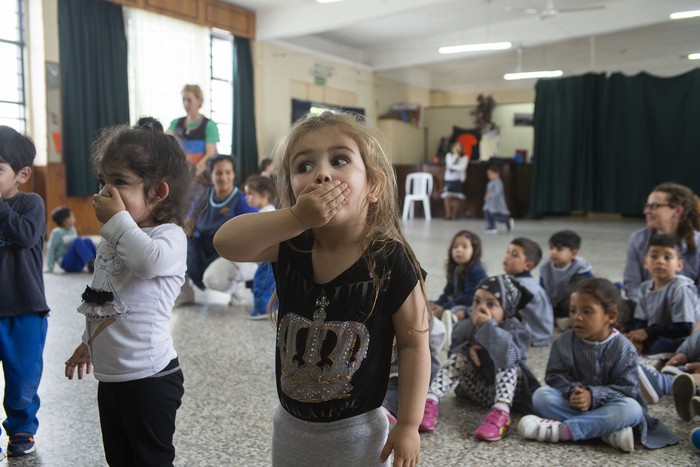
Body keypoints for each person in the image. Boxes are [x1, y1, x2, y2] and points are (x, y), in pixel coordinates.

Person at [212, 111, 431, 466]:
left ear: (373, 186)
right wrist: (295, 218)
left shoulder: (390, 259)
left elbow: (413, 344)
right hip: (291, 429)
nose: (322, 174)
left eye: (340, 160)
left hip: (358, 434)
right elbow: (226, 243)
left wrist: (408, 424)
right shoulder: (293, 244)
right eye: (304, 167)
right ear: (292, 190)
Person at [64, 118, 193, 466]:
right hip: (112, 377)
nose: (107, 193)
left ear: (158, 191)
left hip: (150, 378)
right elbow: (102, 295)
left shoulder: (169, 236)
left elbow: (147, 263)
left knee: (150, 459)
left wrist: (117, 222)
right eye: (104, 181)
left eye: (120, 182)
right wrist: (87, 341)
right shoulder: (115, 235)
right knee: (119, 458)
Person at [518, 278, 678, 452]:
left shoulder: (623, 347)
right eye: (573, 311)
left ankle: (565, 431)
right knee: (541, 396)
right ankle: (606, 433)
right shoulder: (564, 342)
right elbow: (554, 376)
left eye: (587, 311)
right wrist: (573, 391)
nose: (577, 317)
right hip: (576, 405)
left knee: (632, 409)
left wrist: (593, 396)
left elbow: (627, 389)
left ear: (610, 316)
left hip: (612, 406)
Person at [423, 275, 539, 440]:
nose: (481, 307)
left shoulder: (515, 328)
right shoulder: (469, 325)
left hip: (510, 394)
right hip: (478, 390)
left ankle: (501, 413)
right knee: (459, 357)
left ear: (506, 312)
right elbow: (452, 351)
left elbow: (508, 356)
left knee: (507, 361)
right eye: (477, 301)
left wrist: (488, 326)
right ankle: (430, 401)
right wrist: (467, 349)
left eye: (491, 304)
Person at [0, 126, 49, 459]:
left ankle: (21, 429)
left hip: (25, 308)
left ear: (22, 174)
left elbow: (27, 235)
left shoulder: (30, 203)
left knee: (22, 378)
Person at [176, 154, 258, 306]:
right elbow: (189, 222)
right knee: (176, 247)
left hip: (229, 253)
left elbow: (254, 235)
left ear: (234, 174)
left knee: (212, 278)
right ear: (212, 175)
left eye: (228, 172)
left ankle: (236, 288)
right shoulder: (203, 196)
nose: (223, 177)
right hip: (202, 247)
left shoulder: (242, 201)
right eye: (218, 173)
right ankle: (185, 294)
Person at [623, 182, 700, 306]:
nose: (646, 211)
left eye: (654, 206)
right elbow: (632, 285)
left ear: (678, 211)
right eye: (647, 206)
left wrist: (681, 312)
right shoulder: (638, 239)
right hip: (647, 309)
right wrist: (651, 310)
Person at [625, 234, 699, 358]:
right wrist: (637, 337)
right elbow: (640, 321)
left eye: (667, 257)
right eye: (654, 256)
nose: (660, 261)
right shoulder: (644, 288)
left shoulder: (680, 288)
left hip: (682, 338)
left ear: (679, 265)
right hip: (657, 333)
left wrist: (647, 333)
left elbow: (684, 328)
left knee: (660, 346)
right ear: (646, 262)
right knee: (624, 335)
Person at [503, 238, 554, 347]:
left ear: (528, 266)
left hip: (535, 335)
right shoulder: (523, 281)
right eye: (508, 252)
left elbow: (503, 309)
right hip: (539, 332)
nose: (507, 256)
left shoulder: (524, 286)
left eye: (514, 255)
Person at [539, 229, 593, 331]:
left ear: (573, 253)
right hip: (551, 303)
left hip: (569, 303)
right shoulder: (545, 267)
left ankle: (566, 320)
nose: (553, 252)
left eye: (559, 249)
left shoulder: (581, 267)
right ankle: (557, 320)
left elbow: (586, 291)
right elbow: (541, 289)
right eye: (551, 248)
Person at [429, 230, 487, 323]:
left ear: (474, 250)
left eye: (464, 247)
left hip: (471, 305)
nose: (459, 250)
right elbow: (448, 291)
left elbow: (468, 298)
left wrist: (444, 308)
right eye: (455, 247)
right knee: (428, 304)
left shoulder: (477, 271)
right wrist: (438, 303)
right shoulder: (456, 268)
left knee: (455, 311)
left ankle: (449, 323)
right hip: (457, 301)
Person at [243, 174, 277, 320]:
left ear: (264, 195)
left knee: (262, 283)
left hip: (267, 259)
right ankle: (270, 307)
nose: (247, 197)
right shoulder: (269, 211)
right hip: (268, 258)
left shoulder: (266, 214)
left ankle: (262, 310)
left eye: (250, 193)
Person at [168, 84, 220, 175]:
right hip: (180, 175)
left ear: (199, 101)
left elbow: (210, 154)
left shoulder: (209, 125)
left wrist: (193, 174)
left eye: (189, 100)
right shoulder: (175, 123)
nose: (186, 104)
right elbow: (164, 142)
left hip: (202, 179)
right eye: (183, 100)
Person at [47, 206, 96, 273]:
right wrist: (50, 268)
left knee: (87, 240)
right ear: (65, 220)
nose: (74, 218)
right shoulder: (56, 233)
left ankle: (98, 261)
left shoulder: (72, 229)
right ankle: (90, 262)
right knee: (77, 241)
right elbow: (51, 250)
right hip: (66, 262)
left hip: (78, 264)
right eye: (72, 216)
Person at [482, 163, 513, 234]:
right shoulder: (490, 182)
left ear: (497, 174)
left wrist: (491, 195)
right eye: (488, 174)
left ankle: (507, 221)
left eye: (491, 174)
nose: (489, 176)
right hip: (489, 203)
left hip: (496, 203)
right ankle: (491, 226)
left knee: (495, 215)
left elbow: (498, 192)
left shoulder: (498, 182)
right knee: (487, 213)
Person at [441, 141, 468, 220]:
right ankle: (448, 214)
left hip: (458, 180)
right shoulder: (449, 155)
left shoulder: (465, 158)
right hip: (449, 179)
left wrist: (451, 167)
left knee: (456, 197)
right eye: (455, 147)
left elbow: (462, 168)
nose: (457, 148)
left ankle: (454, 215)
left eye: (459, 147)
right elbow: (449, 163)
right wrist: (455, 156)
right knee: (447, 197)